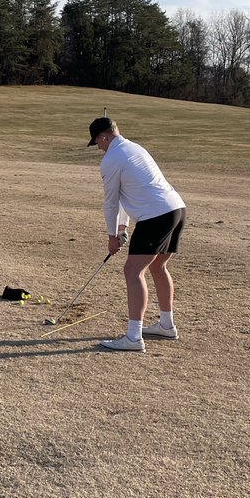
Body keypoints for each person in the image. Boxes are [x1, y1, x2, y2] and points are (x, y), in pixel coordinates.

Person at [87, 117, 186, 353]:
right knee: (157, 267)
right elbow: (124, 195)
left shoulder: (111, 159)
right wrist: (122, 229)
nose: (98, 148)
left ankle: (133, 337)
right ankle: (166, 325)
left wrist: (111, 236)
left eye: (97, 143)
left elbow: (110, 202)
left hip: (156, 216)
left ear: (104, 136)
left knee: (132, 271)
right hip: (176, 210)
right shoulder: (133, 148)